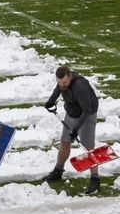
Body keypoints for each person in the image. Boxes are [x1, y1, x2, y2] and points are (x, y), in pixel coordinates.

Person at [43, 65, 100, 194]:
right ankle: (58, 171)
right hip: (72, 111)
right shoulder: (62, 83)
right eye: (59, 82)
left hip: (86, 115)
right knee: (65, 141)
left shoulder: (80, 87)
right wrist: (50, 101)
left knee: (88, 147)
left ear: (70, 76)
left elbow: (87, 110)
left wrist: (76, 129)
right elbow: (58, 89)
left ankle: (95, 178)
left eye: (64, 82)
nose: (62, 85)